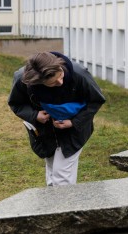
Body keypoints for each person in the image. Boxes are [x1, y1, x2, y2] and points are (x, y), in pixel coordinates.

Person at [8, 51, 106, 186]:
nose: (60, 82)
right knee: (52, 172)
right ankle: (54, 205)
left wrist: (73, 122)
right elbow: (16, 103)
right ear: (39, 82)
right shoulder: (22, 79)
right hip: (45, 133)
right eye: (53, 83)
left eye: (61, 76)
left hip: (73, 132)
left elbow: (96, 100)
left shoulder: (79, 74)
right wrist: (35, 115)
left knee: (61, 178)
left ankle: (64, 206)